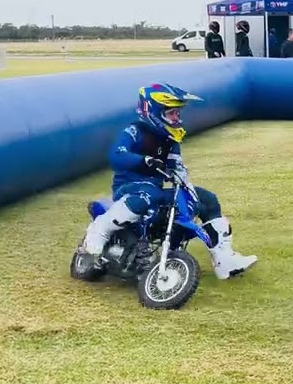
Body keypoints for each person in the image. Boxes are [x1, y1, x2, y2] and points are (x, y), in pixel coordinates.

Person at [74, 83, 258, 279]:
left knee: (207, 199)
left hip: (156, 190)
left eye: (178, 113)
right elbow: (116, 156)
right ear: (154, 112)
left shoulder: (170, 140)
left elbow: (175, 165)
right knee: (150, 194)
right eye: (172, 113)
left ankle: (224, 260)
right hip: (129, 187)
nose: (177, 118)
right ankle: (100, 229)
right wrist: (143, 160)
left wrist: (183, 180)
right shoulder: (135, 131)